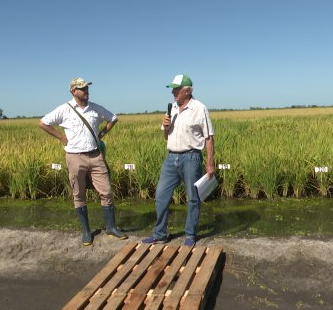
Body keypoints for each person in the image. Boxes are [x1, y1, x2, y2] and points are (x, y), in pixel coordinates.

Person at [39, 77, 127, 246]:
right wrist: (61, 137)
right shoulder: (64, 109)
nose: (86, 91)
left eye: (87, 88)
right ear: (73, 91)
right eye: (82, 88)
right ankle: (86, 231)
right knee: (78, 194)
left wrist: (101, 134)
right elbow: (43, 123)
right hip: (74, 157)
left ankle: (111, 227)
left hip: (95, 155)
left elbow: (113, 118)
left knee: (106, 191)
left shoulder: (95, 109)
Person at [142, 74, 215, 247]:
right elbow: (165, 136)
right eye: (172, 89)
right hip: (171, 157)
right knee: (161, 195)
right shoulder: (172, 108)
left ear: (187, 91)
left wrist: (209, 163)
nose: (173, 92)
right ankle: (159, 234)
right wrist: (165, 128)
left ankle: (190, 234)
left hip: (191, 157)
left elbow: (209, 138)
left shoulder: (199, 108)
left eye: (177, 89)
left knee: (193, 198)